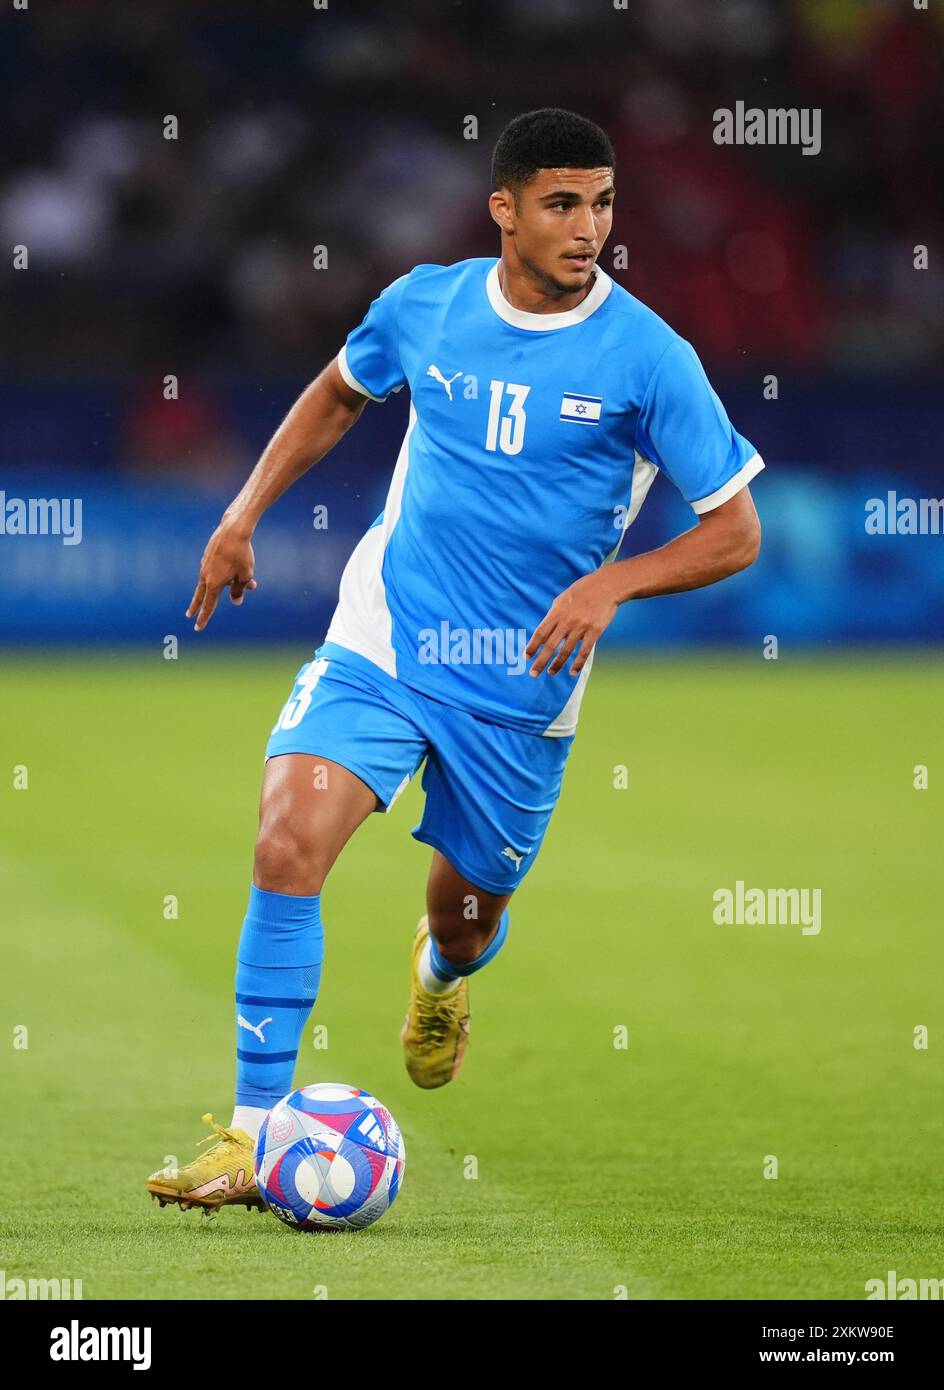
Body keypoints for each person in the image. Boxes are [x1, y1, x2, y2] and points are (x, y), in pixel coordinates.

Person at [147, 107, 763, 1212]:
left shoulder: (647, 355)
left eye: (602, 204)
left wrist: (609, 581)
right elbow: (340, 391)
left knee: (462, 917)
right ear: (505, 210)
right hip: (388, 634)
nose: (588, 229)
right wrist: (242, 510)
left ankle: (439, 980)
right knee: (287, 836)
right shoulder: (423, 304)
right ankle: (246, 1135)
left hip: (521, 683)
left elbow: (734, 528)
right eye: (562, 204)